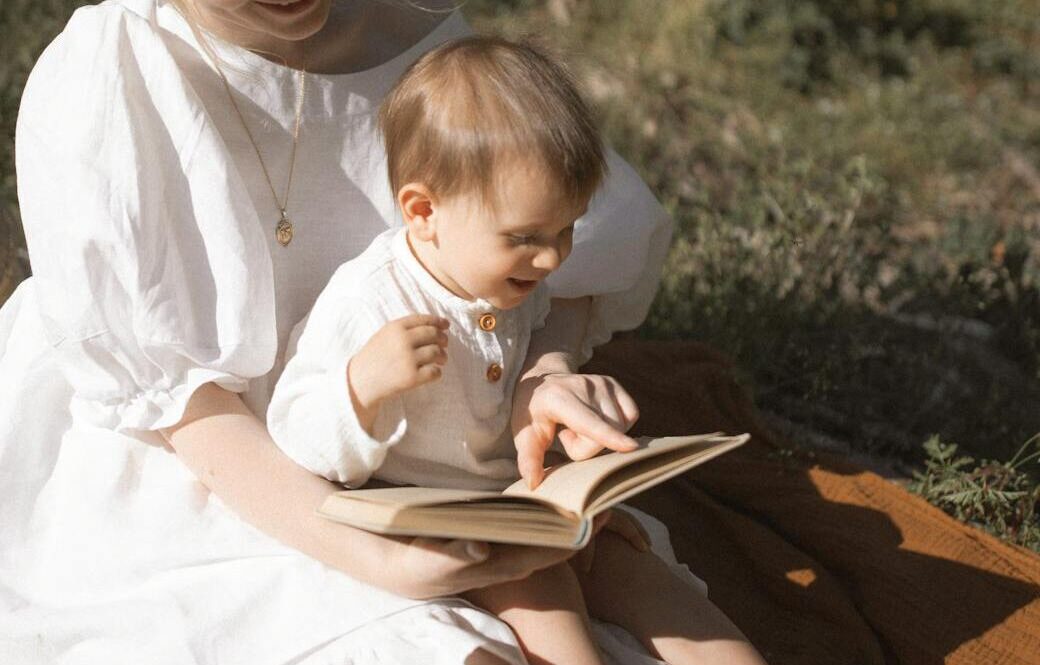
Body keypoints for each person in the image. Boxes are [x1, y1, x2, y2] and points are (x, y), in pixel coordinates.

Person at [0, 1, 763, 663]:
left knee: (628, 580)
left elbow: (544, 263)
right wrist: (377, 560)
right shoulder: (112, 80)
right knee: (427, 635)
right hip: (210, 461)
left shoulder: (416, 37)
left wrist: (542, 375)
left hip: (451, 447)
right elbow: (180, 404)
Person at [265, 36, 764, 665]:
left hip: (520, 504)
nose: (553, 258)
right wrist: (361, 387)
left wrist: (576, 463)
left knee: (659, 590)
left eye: (566, 229)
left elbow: (518, 391)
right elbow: (295, 432)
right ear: (423, 212)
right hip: (440, 527)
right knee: (548, 607)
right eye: (527, 237)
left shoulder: (513, 282)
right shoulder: (370, 303)